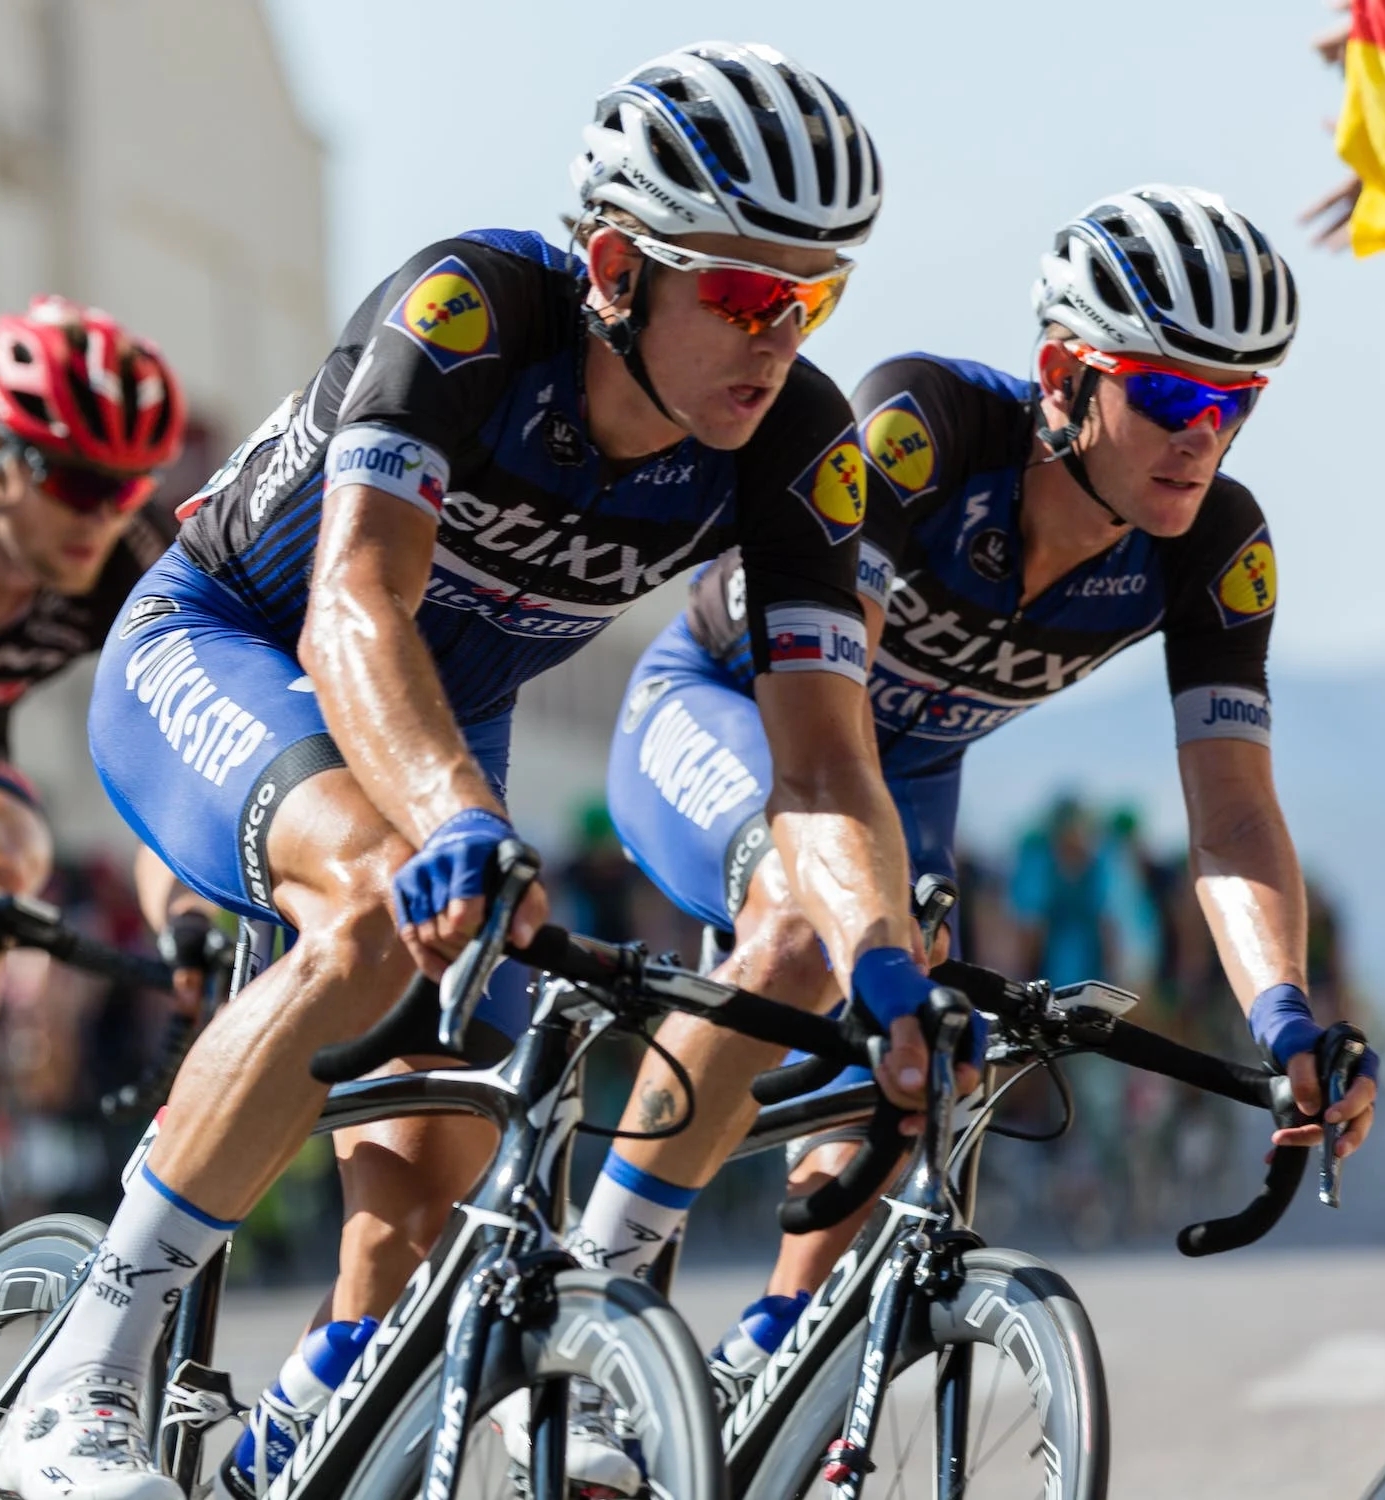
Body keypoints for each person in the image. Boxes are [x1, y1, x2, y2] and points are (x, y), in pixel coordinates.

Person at [0, 41, 971, 1500]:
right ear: (615, 265)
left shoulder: (801, 444)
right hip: (234, 651)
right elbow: (352, 608)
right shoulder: (470, 313)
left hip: (438, 724)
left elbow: (827, 771)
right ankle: (86, 1367)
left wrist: (885, 966)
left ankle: (279, 1460)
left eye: (813, 295)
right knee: (373, 905)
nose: (780, 339)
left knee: (422, 1193)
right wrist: (455, 817)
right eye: (746, 294)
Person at [599, 184, 1378, 1407]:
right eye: (1169, 394)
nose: (1202, 435)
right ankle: (600, 1294)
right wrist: (879, 916)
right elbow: (818, 731)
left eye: (1235, 403)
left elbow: (1230, 819)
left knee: (923, 1073)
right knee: (813, 932)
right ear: (1064, 375)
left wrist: (1282, 1015)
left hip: (903, 777)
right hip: (737, 713)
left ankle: (767, 1354)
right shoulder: (928, 429)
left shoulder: (1216, 544)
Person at [0, 296, 203, 953]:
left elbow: (184, 762)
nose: (100, 521)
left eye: (126, 491)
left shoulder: (129, 560)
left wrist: (188, 919)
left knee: (13, 857)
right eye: (81, 487)